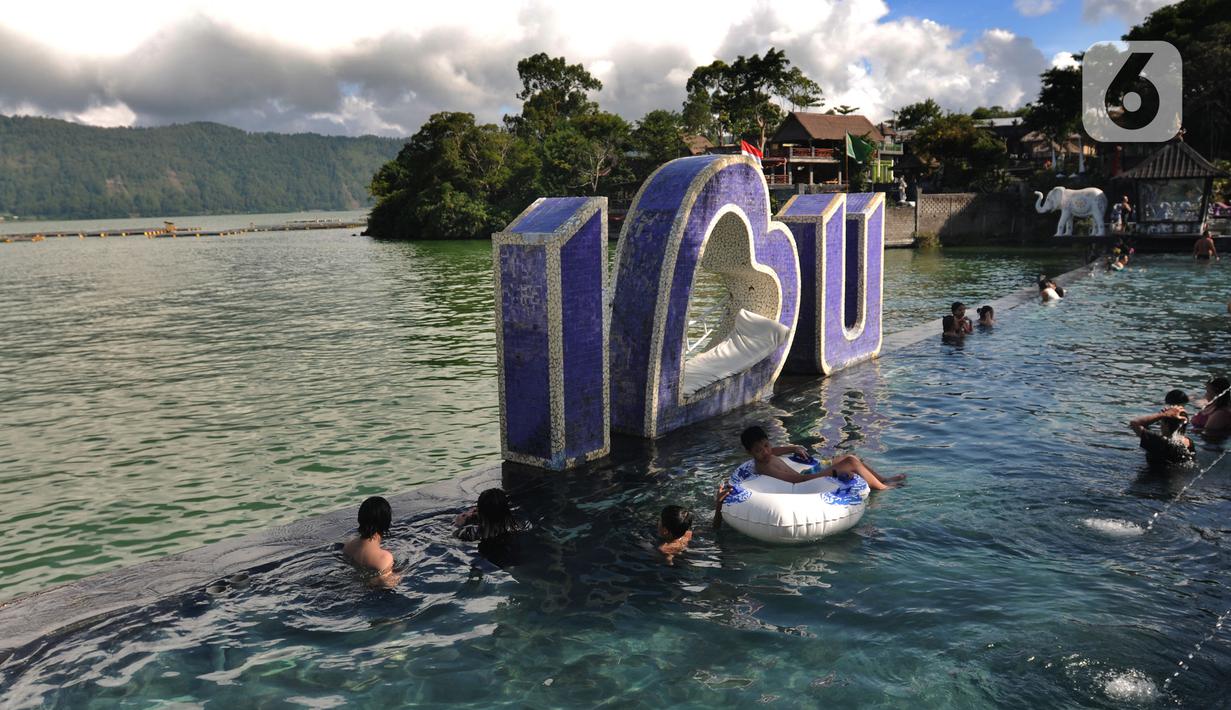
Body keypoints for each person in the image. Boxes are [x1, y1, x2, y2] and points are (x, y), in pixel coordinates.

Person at [738, 425, 904, 490]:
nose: (766, 452)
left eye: (766, 446)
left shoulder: (765, 456)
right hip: (808, 479)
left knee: (848, 457)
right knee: (851, 462)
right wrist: (830, 473)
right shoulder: (764, 467)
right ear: (750, 453)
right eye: (759, 450)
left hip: (809, 473)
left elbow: (775, 451)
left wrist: (793, 447)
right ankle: (882, 487)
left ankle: (883, 479)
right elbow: (796, 480)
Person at [342, 496, 401, 588]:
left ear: (360, 519)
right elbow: (389, 584)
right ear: (386, 523)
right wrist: (406, 571)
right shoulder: (384, 557)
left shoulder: (348, 545)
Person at [453, 488, 531, 542]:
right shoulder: (518, 526)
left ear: (480, 511)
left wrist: (457, 524)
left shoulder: (469, 532)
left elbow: (451, 539)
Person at [1128, 407, 1195, 466]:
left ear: (1166, 425)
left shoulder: (1159, 441)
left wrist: (1161, 415)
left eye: (1161, 421)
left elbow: (1134, 423)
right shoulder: (1189, 442)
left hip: (1154, 479)